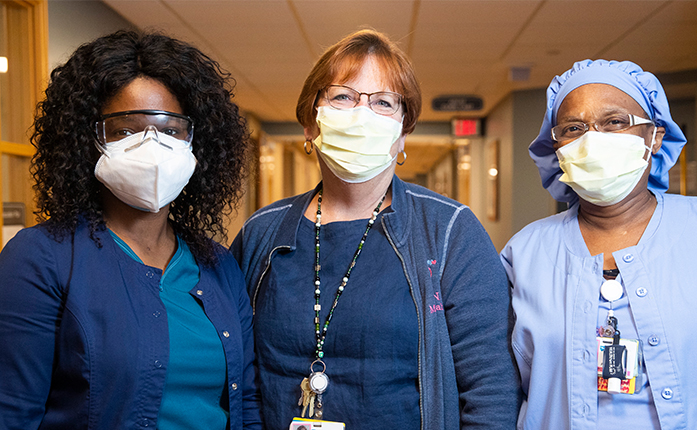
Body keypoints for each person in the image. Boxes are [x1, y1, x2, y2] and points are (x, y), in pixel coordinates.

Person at [231, 29, 519, 429]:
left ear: (403, 134)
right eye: (343, 97)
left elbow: (491, 393)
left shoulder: (450, 231)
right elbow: (238, 375)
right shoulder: (261, 234)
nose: (361, 115)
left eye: (383, 102)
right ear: (310, 124)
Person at [0, 30, 261, 429]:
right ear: (87, 141)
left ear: (197, 142)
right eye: (125, 130)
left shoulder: (218, 265)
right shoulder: (39, 258)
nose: (151, 146)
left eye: (171, 130)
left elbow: (247, 407)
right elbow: (12, 413)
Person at [501, 59, 697, 429]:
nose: (592, 140)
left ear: (655, 135)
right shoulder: (525, 254)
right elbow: (497, 386)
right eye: (573, 127)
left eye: (614, 122)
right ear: (557, 148)